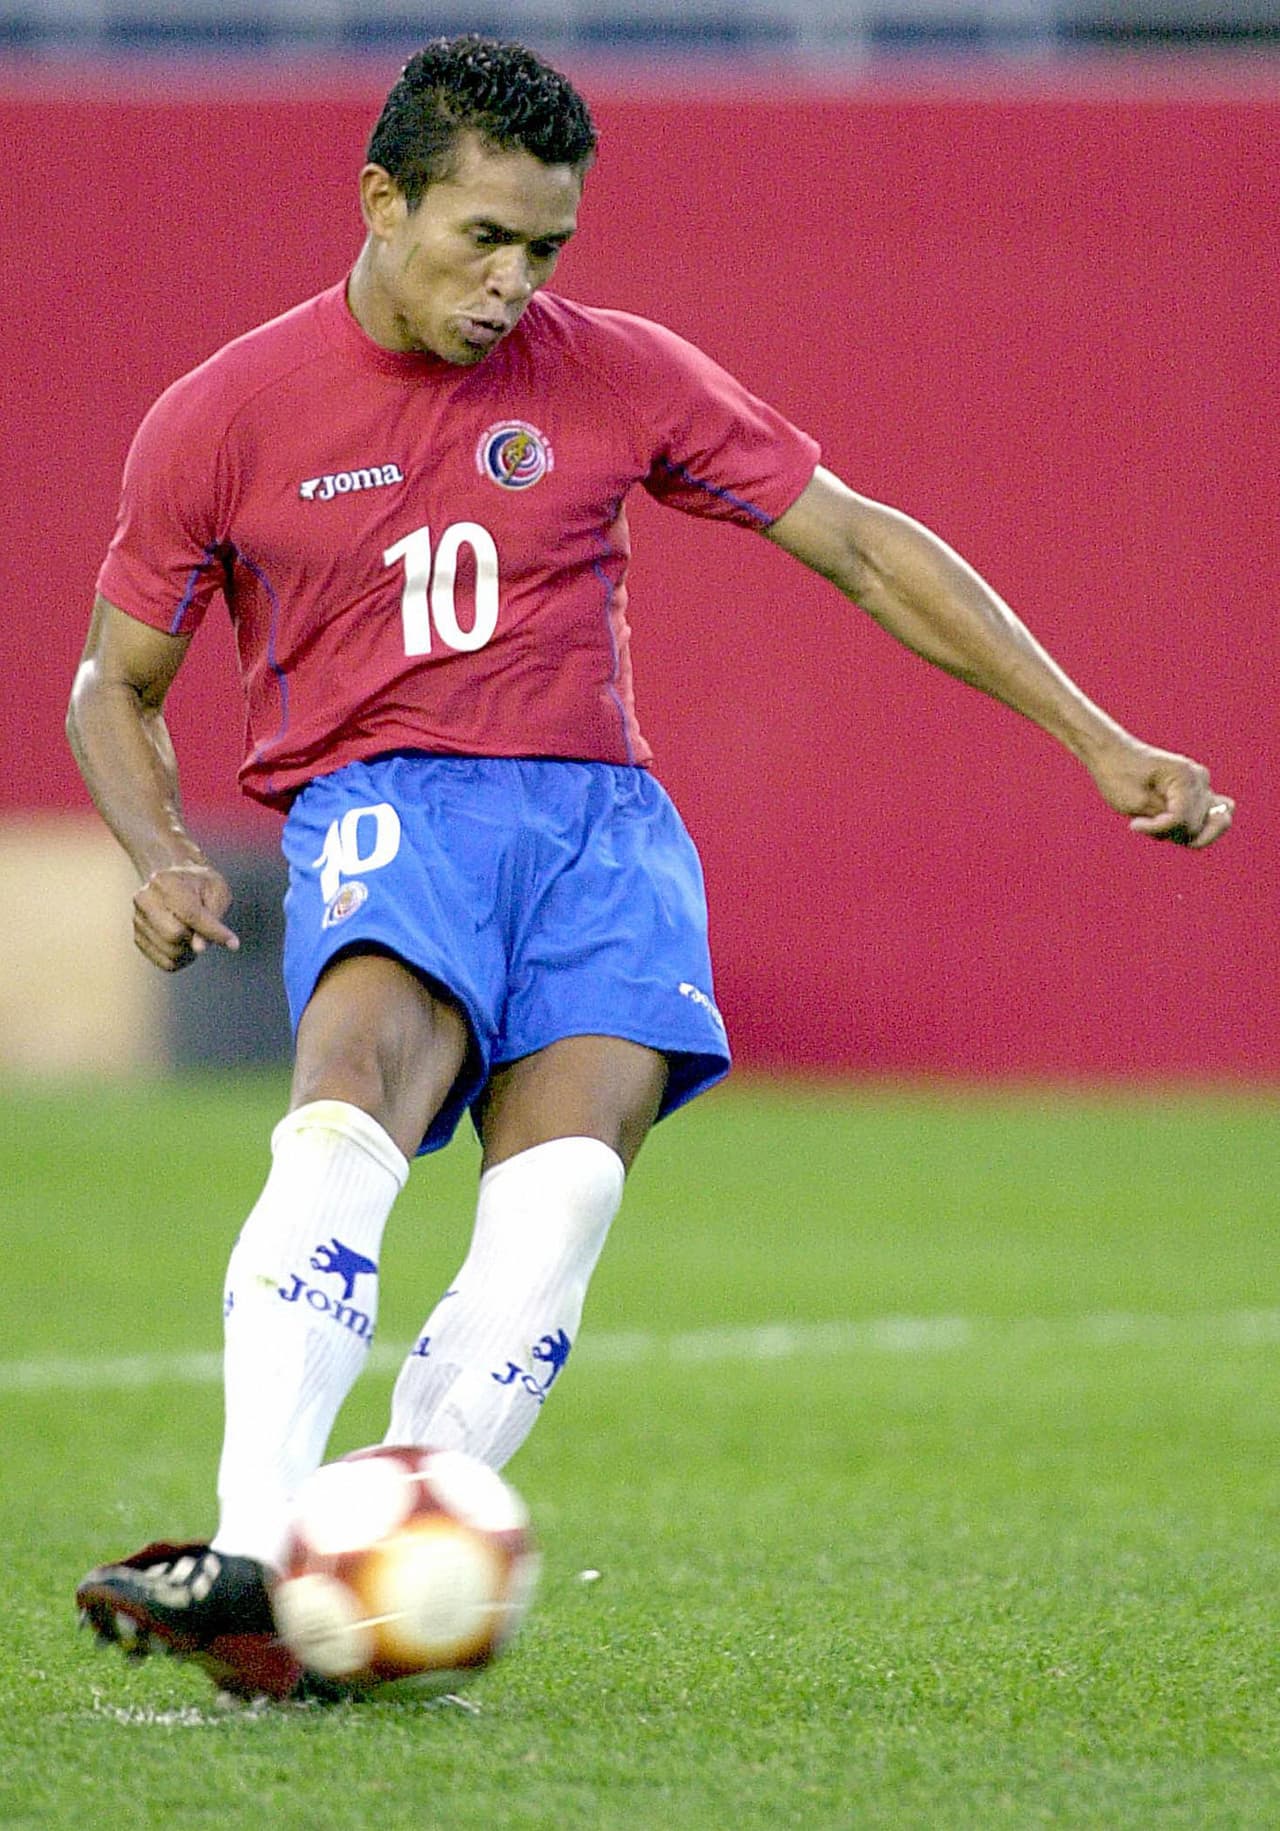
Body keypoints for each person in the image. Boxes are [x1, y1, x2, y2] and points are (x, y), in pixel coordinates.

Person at [69, 35, 1233, 1703]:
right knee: (344, 1112)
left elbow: (860, 543)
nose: (512, 283)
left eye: (546, 247)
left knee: (564, 1203)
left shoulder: (618, 372)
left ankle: (352, 1583)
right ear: (382, 202)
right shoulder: (227, 413)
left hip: (603, 839)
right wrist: (164, 848)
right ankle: (258, 1553)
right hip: (394, 806)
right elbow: (111, 681)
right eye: (481, 237)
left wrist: (1093, 734)